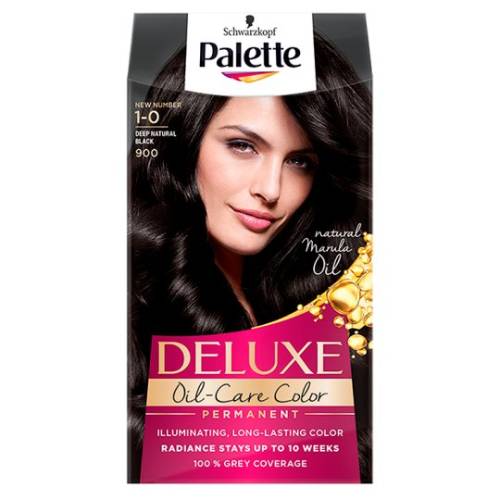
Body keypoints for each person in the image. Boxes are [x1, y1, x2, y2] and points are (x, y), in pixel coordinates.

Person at [128, 32, 372, 481]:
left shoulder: (335, 302)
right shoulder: (128, 300)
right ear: (185, 142)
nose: (271, 189)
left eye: (300, 162)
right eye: (243, 146)